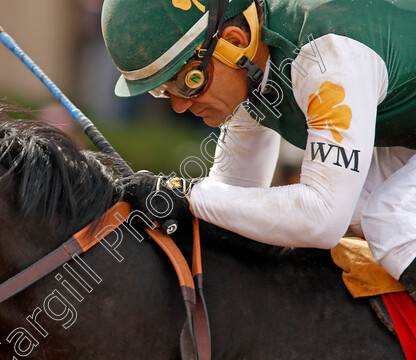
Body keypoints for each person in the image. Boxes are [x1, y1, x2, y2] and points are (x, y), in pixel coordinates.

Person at [101, 0, 416, 300]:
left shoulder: (327, 58)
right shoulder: (249, 65)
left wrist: (184, 194)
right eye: (163, 90)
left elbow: (323, 219)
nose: (180, 105)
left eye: (189, 81)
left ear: (235, 41)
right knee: (358, 203)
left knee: (391, 219)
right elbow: (231, 193)